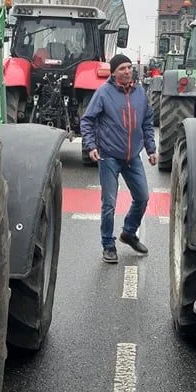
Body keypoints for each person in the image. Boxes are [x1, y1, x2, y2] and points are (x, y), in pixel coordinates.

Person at [80, 53, 157, 263]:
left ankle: (129, 232)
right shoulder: (103, 93)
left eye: (129, 67)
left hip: (133, 157)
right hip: (109, 156)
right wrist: (91, 145)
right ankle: (108, 245)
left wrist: (151, 149)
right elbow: (87, 120)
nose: (127, 71)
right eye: (122, 68)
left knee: (142, 197)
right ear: (113, 72)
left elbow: (147, 122)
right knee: (109, 204)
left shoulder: (140, 93)